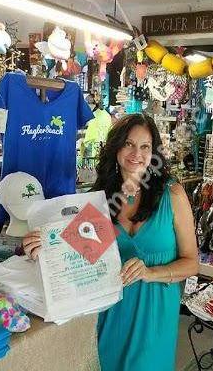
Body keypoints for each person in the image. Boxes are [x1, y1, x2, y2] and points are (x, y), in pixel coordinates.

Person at [22, 114, 199, 371]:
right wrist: (42, 247)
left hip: (154, 317)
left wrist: (150, 273)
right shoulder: (100, 200)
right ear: (116, 148)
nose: (136, 153)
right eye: (128, 144)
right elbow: (77, 258)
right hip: (110, 315)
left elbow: (192, 263)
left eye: (145, 146)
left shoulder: (172, 194)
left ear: (154, 152)